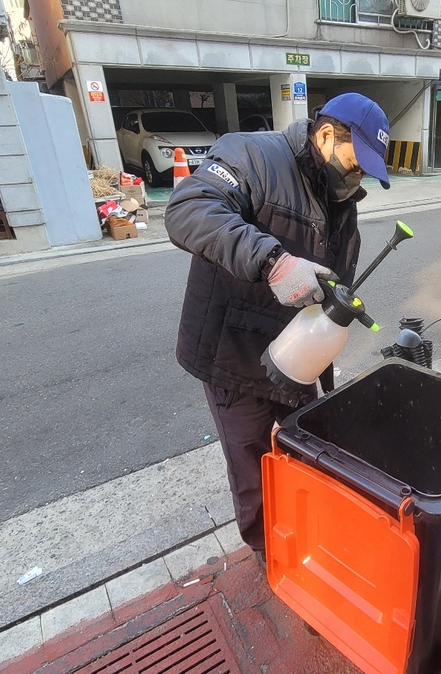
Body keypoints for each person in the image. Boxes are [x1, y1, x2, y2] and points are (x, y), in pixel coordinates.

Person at [164, 93, 392, 559]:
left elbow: (328, 284)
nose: (359, 176)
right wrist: (273, 262)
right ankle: (274, 556)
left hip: (296, 357)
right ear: (326, 135)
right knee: (254, 468)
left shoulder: (340, 200)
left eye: (368, 168)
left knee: (302, 456)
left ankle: (305, 539)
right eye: (356, 162)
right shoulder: (252, 155)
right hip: (234, 354)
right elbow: (189, 210)